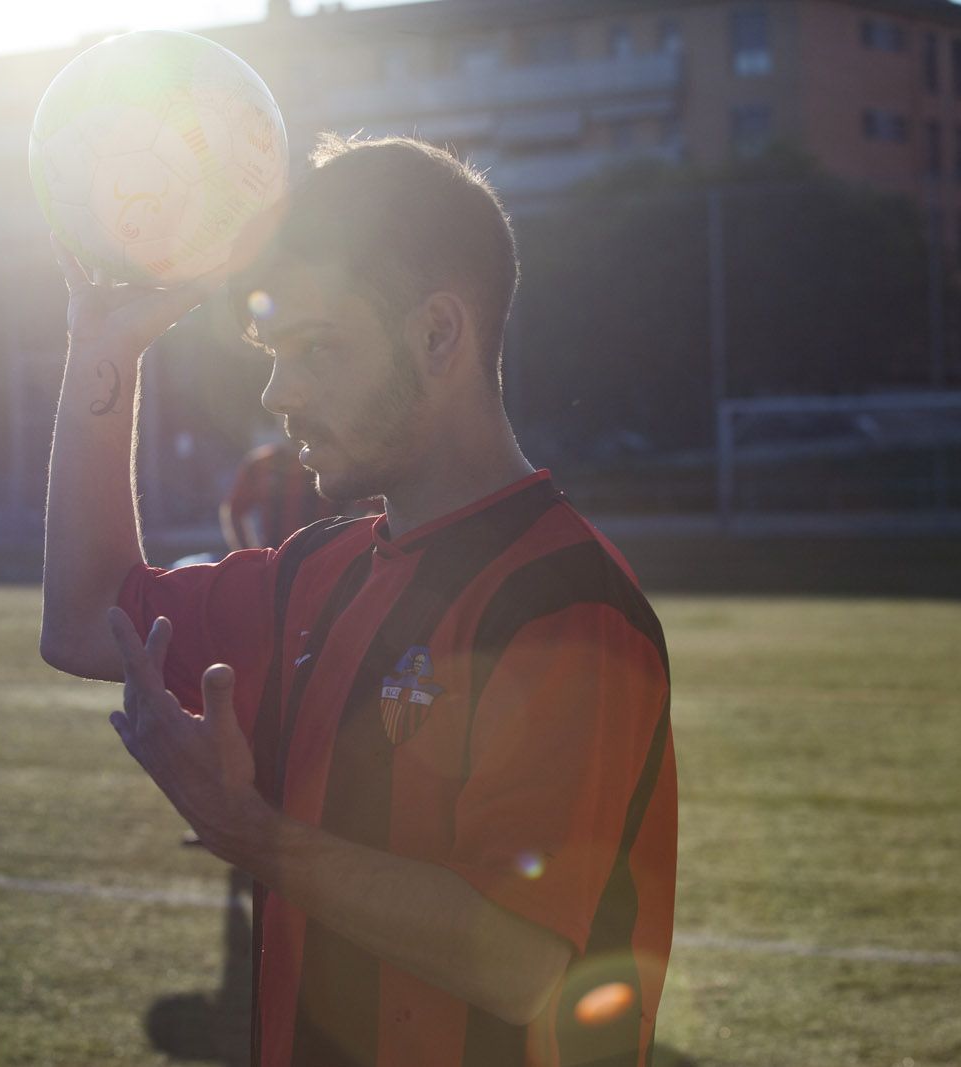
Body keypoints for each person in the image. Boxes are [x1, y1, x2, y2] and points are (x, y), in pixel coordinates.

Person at [40, 134, 675, 1067]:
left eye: (317, 348)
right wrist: (100, 361)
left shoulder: (566, 605)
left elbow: (521, 961)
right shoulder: (315, 573)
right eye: (271, 349)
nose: (278, 391)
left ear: (438, 334)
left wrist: (249, 832)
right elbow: (84, 614)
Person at [221, 435, 332, 551]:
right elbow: (235, 510)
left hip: (324, 554)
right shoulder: (261, 464)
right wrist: (248, 554)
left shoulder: (331, 462)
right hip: (276, 556)